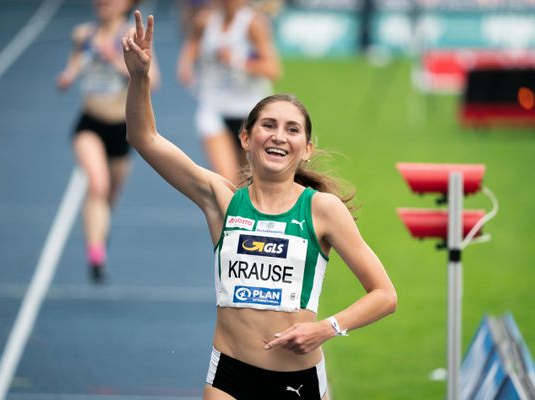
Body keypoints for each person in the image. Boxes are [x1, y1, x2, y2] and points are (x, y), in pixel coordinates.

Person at [122, 10, 397, 399]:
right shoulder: (221, 200)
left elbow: (384, 295)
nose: (279, 136)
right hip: (229, 374)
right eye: (268, 125)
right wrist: (139, 78)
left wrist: (326, 327)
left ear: (306, 149)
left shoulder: (321, 210)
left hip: (296, 382)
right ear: (246, 138)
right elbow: (143, 137)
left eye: (292, 129)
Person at [56, 0, 160, 282]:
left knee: (109, 197)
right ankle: (96, 256)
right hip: (89, 123)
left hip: (122, 129)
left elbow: (154, 80)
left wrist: (115, 60)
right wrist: (67, 76)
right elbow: (74, 64)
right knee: (97, 185)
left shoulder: (131, 36)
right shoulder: (82, 34)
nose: (103, 3)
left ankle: (100, 229)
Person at [177, 0, 281, 184]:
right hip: (215, 110)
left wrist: (235, 60)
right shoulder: (205, 21)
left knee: (251, 182)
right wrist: (187, 68)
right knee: (226, 182)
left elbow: (272, 69)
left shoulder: (252, 24)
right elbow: (189, 51)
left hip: (250, 113)